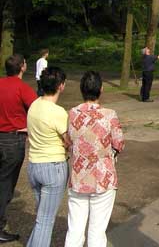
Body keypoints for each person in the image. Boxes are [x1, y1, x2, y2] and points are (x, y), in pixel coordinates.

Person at [65, 71, 125, 247]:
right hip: (102, 178)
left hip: (78, 177)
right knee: (97, 232)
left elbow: (68, 140)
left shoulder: (72, 113)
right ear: (101, 89)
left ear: (82, 89)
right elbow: (119, 142)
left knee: (74, 229)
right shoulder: (109, 114)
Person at [26, 66, 69, 247]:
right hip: (53, 167)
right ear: (60, 86)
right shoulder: (58, 112)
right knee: (45, 221)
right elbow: (68, 140)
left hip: (34, 166)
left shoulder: (34, 105)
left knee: (42, 218)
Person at [0, 54, 37, 243]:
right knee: (5, 185)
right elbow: (37, 110)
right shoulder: (23, 88)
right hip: (13, 140)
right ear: (22, 67)